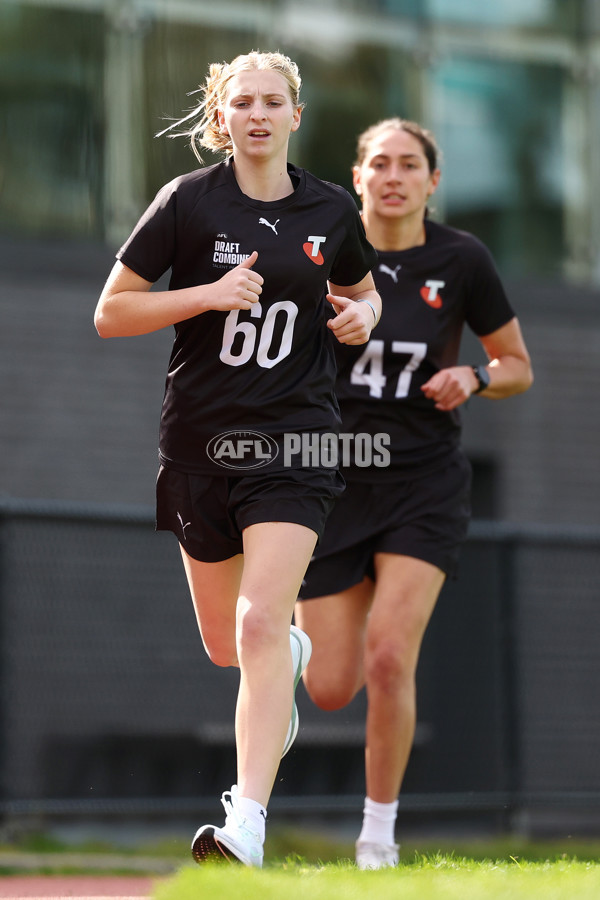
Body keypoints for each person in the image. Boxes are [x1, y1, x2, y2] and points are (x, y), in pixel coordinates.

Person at [94, 51, 381, 868]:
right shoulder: (186, 203)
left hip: (296, 442)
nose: (257, 115)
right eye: (242, 103)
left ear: (296, 114)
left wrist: (362, 316)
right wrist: (208, 296)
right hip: (198, 448)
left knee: (260, 619)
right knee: (232, 645)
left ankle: (244, 822)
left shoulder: (330, 208)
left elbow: (363, 293)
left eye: (272, 102)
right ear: (222, 119)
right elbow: (111, 313)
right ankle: (283, 659)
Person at [294, 117, 533, 870]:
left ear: (432, 183)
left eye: (410, 165)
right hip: (330, 478)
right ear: (357, 177)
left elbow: (518, 363)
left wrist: (477, 375)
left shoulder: (461, 259)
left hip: (422, 482)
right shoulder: (319, 250)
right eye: (379, 164)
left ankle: (378, 837)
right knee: (330, 687)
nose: (393, 176)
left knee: (391, 659)